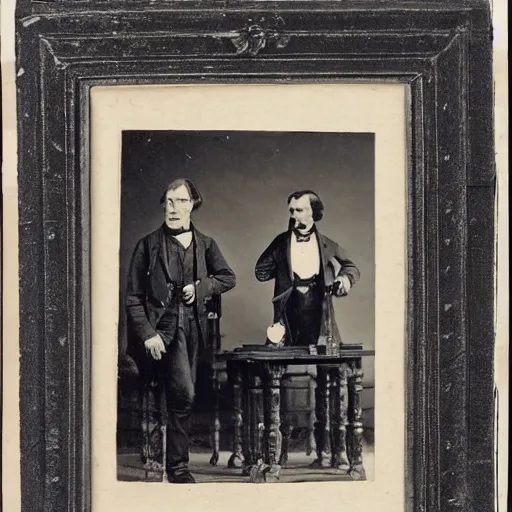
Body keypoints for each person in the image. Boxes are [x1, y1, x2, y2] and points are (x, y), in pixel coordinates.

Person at [126, 178, 236, 483]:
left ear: (193, 206)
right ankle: (177, 468)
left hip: (194, 331)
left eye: (181, 201)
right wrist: (147, 334)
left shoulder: (206, 244)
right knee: (184, 394)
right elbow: (133, 298)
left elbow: (228, 278)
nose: (174, 208)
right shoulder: (147, 245)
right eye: (169, 202)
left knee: (187, 394)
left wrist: (201, 289)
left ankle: (173, 463)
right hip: (158, 333)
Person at [255, 190, 360, 348]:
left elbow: (351, 267)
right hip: (288, 303)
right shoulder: (280, 242)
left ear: (314, 212)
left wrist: (342, 280)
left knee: (325, 353)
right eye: (291, 210)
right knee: (277, 356)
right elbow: (261, 272)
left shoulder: (327, 244)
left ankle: (326, 372)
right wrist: (281, 260)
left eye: (299, 210)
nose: (293, 215)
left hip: (317, 302)